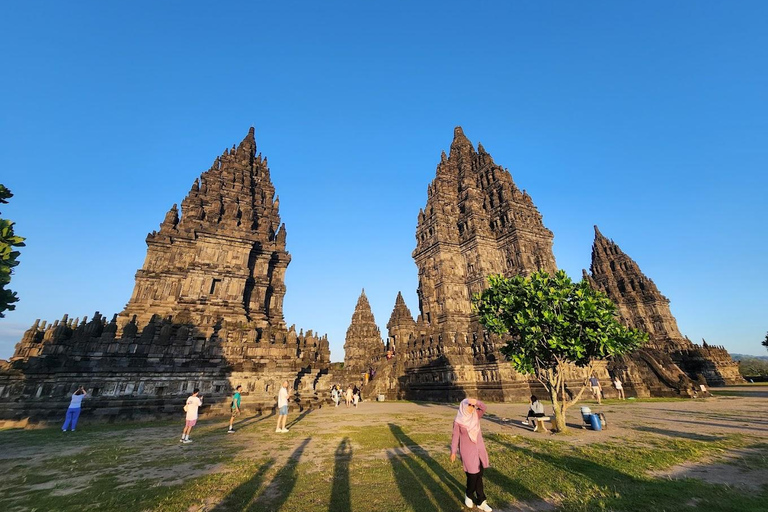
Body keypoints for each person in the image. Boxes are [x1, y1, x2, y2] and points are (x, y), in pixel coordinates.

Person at [451, 398, 492, 512]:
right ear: (463, 406)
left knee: (479, 474)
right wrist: (453, 451)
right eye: (469, 405)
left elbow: (484, 407)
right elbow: (455, 437)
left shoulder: (476, 415)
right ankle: (468, 494)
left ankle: (481, 501)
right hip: (467, 451)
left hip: (479, 449)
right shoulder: (458, 421)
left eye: (472, 406)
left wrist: (476, 402)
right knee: (473, 474)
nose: (471, 408)